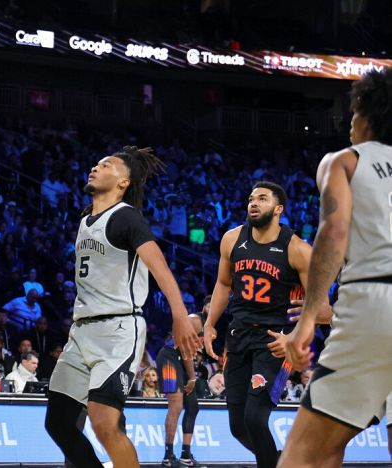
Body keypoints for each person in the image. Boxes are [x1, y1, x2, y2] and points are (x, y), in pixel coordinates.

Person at [44, 147, 199, 468]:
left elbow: (159, 266)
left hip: (117, 331)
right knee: (57, 423)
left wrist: (180, 314)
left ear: (123, 182)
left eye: (106, 164)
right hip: (81, 332)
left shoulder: (126, 217)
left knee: (104, 424)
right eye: (97, 162)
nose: (95, 167)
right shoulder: (86, 219)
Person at [278, 69, 392, 468]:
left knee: (304, 456)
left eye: (353, 113)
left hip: (375, 303)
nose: (349, 124)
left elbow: (335, 230)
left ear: (367, 115)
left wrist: (308, 319)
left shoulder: (345, 160)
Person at [203, 181, 311, 468]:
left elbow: (318, 306)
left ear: (278, 209)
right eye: (251, 198)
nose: (253, 203)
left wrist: (297, 337)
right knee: (237, 426)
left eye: (262, 199)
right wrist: (210, 323)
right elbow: (223, 284)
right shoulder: (232, 239)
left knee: (255, 417)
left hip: (276, 342)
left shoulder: (297, 249)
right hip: (238, 335)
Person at [157, 314, 204, 467]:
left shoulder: (209, 324)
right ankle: (168, 456)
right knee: (176, 407)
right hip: (169, 359)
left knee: (193, 406)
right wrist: (192, 378)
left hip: (182, 361)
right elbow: (186, 349)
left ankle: (185, 454)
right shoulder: (195, 320)